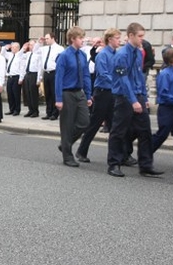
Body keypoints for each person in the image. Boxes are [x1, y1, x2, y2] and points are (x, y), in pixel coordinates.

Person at [107, 22, 163, 178]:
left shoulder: (139, 53)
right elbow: (123, 79)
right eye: (140, 36)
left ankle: (145, 165)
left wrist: (143, 97)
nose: (142, 39)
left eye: (143, 36)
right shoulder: (121, 54)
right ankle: (114, 164)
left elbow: (139, 76)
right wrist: (133, 101)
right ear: (130, 36)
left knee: (145, 131)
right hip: (124, 97)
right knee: (118, 131)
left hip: (137, 95)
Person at [76, 28, 120, 162]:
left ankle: (121, 154)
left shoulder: (116, 54)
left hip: (113, 93)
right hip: (103, 93)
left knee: (115, 126)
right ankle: (81, 151)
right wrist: (118, 83)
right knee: (95, 123)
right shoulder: (103, 55)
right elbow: (103, 74)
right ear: (110, 39)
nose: (119, 40)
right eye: (117, 38)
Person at [54, 26, 92, 167]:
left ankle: (65, 144)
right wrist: (58, 99)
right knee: (67, 125)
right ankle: (67, 156)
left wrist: (88, 95)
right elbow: (58, 78)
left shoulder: (82, 55)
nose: (83, 40)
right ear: (72, 39)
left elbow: (86, 75)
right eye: (81, 38)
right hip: (66, 93)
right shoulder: (64, 56)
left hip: (79, 92)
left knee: (85, 122)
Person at [38, 33, 63, 121]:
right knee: (47, 94)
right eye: (45, 39)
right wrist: (39, 42)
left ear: (53, 38)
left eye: (47, 38)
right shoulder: (44, 48)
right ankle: (48, 112)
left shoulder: (59, 49)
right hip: (46, 72)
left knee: (54, 93)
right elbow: (35, 51)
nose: (46, 40)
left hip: (54, 72)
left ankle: (55, 113)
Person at [2, 42, 28, 116]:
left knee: (16, 94)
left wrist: (21, 78)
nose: (12, 48)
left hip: (16, 76)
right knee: (10, 93)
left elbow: (22, 68)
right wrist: (5, 47)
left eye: (14, 47)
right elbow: (3, 53)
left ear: (17, 48)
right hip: (10, 76)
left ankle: (17, 110)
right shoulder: (10, 55)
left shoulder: (20, 56)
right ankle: (11, 109)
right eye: (12, 47)